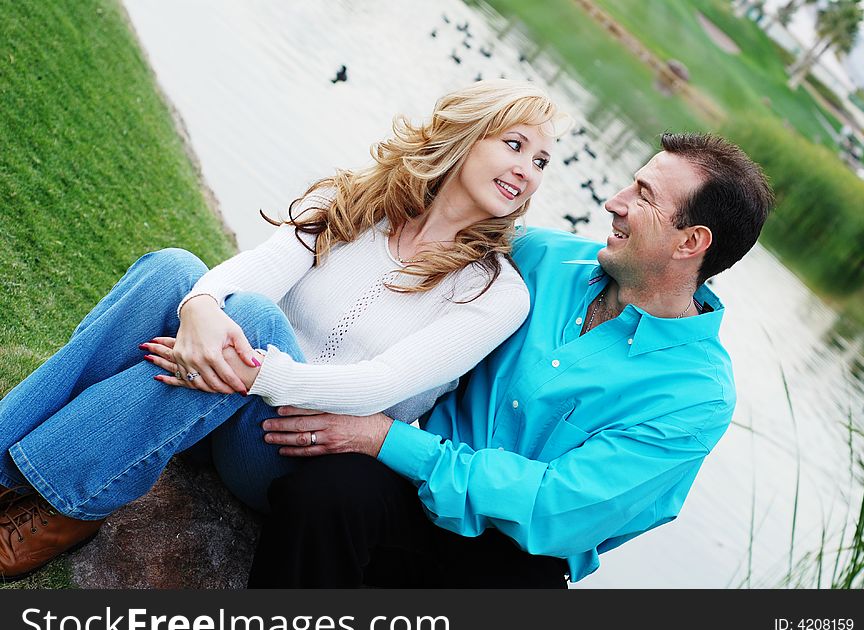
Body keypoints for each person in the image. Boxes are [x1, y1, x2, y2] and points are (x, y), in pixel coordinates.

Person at [0, 79, 564, 581]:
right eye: (514, 144)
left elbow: (380, 385)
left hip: (289, 452)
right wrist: (198, 306)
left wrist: (251, 368)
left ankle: (64, 508)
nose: (526, 169)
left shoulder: (496, 293)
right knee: (173, 270)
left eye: (541, 161)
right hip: (205, 402)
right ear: (462, 135)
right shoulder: (353, 201)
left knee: (254, 319)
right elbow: (258, 271)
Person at [245, 132, 775, 588]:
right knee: (324, 496)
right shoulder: (538, 256)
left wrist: (384, 437)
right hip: (402, 491)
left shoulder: (698, 395)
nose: (614, 202)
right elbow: (426, 228)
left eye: (643, 196)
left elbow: (556, 508)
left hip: (511, 558)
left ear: (691, 242)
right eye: (629, 184)